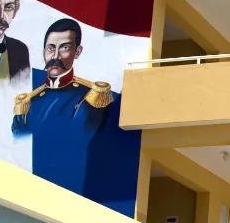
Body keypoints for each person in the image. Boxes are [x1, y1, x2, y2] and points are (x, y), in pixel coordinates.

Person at [11, 18, 137, 201]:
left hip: (73, 192)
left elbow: (81, 136)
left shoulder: (91, 96)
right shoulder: (28, 100)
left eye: (64, 48)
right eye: (50, 48)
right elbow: (19, 139)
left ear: (77, 52)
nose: (55, 56)